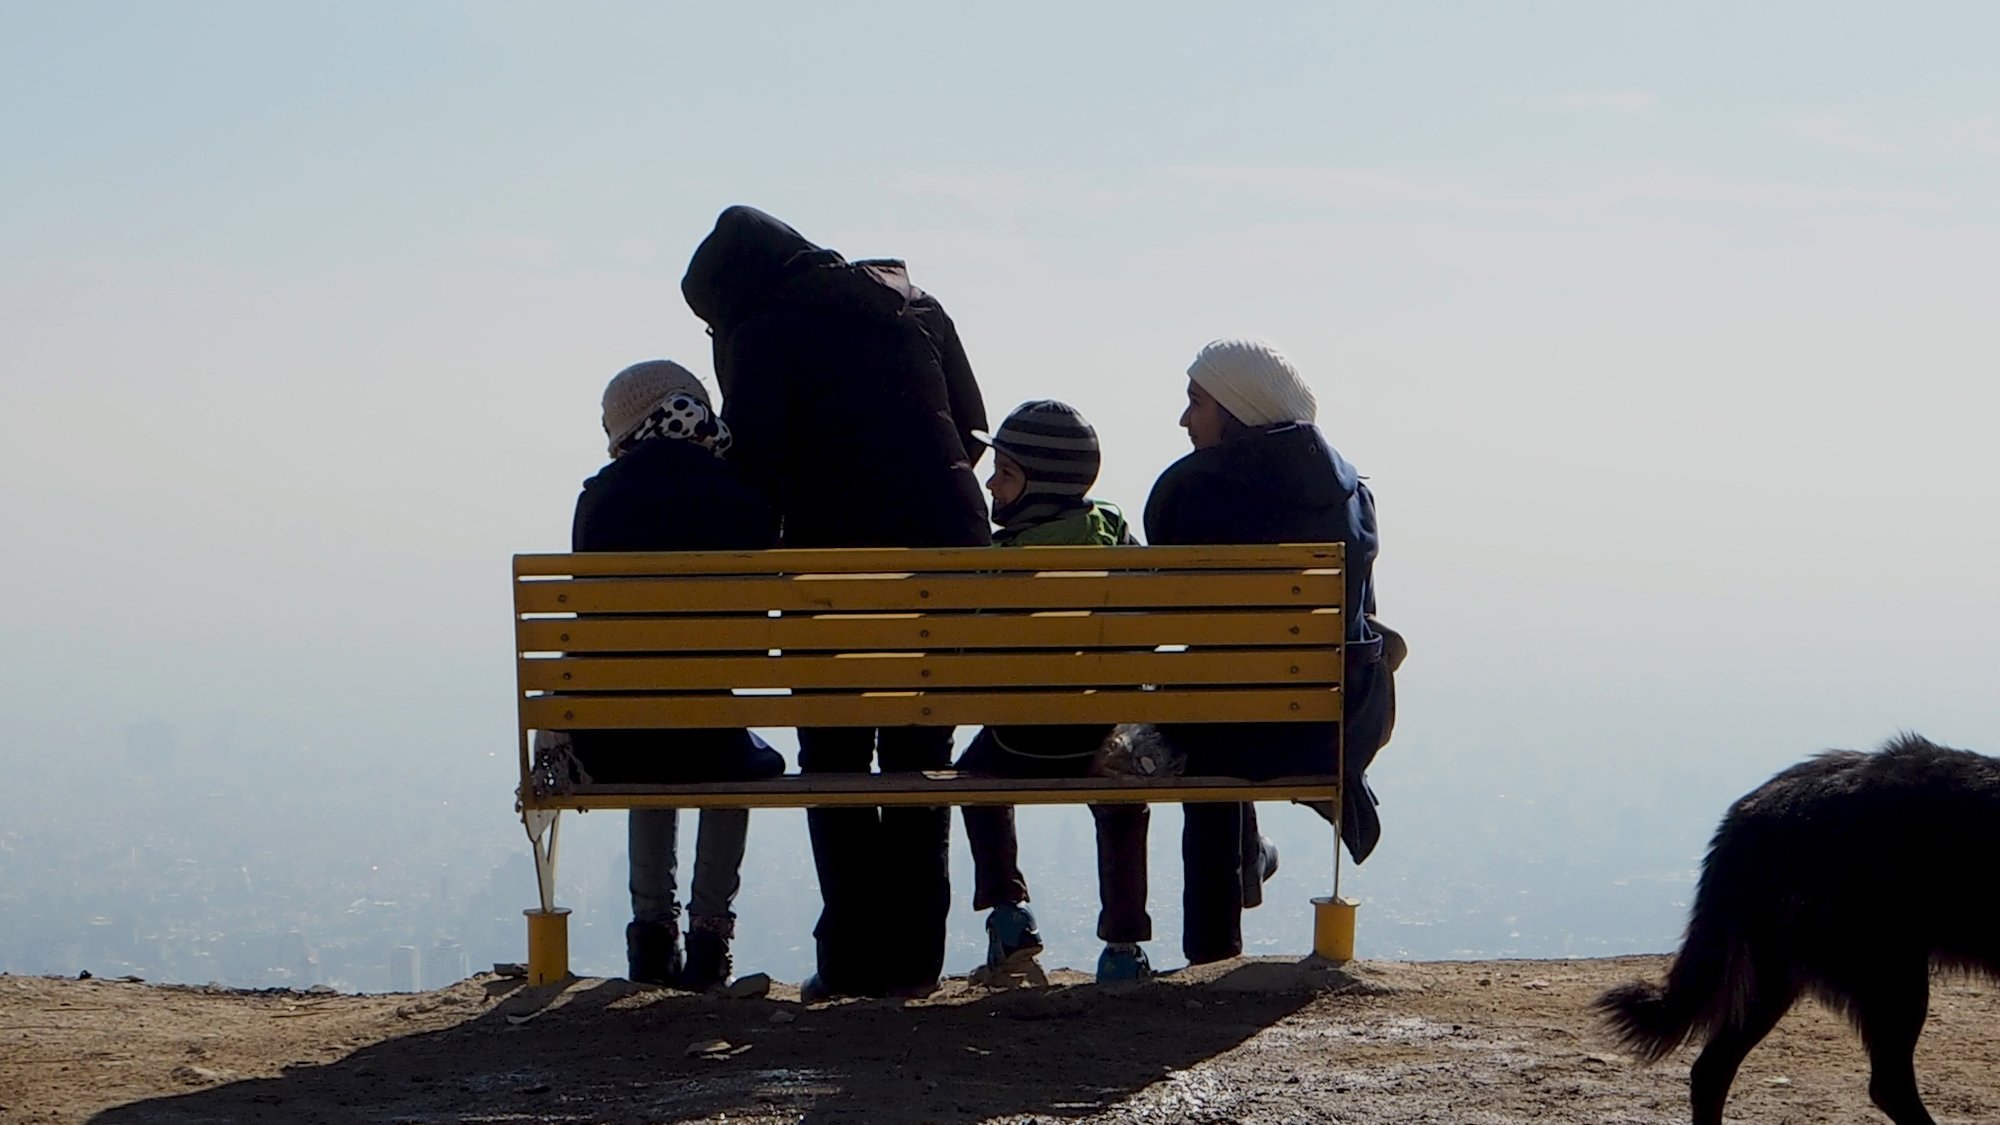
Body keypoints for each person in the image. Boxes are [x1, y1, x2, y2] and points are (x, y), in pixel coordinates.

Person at [681, 205, 990, 1000]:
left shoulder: (763, 331)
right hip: (949, 561)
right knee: (920, 754)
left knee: (837, 755)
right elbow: (974, 425)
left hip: (833, 569)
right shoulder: (911, 301)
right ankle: (916, 960)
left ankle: (853, 958)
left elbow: (756, 466)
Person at [1143, 338, 1394, 966]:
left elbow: (1168, 611)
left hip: (1222, 733)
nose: (1184, 420)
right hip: (1323, 728)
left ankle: (1212, 953)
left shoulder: (1185, 491)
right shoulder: (1353, 495)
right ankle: (1244, 871)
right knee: (1235, 693)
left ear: (1235, 408)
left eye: (1196, 403)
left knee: (1216, 704)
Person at [569, 359, 786, 990]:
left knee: (650, 743)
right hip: (711, 732)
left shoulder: (599, 499)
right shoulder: (744, 494)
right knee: (727, 751)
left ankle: (650, 935)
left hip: (620, 738)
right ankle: (711, 937)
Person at [951, 401, 1157, 983]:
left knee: (974, 780)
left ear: (1040, 486)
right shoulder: (1113, 532)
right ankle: (1122, 949)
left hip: (1020, 741)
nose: (991, 481)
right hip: (1103, 739)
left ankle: (1009, 916)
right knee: (1122, 802)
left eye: (1006, 472)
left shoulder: (1001, 561)